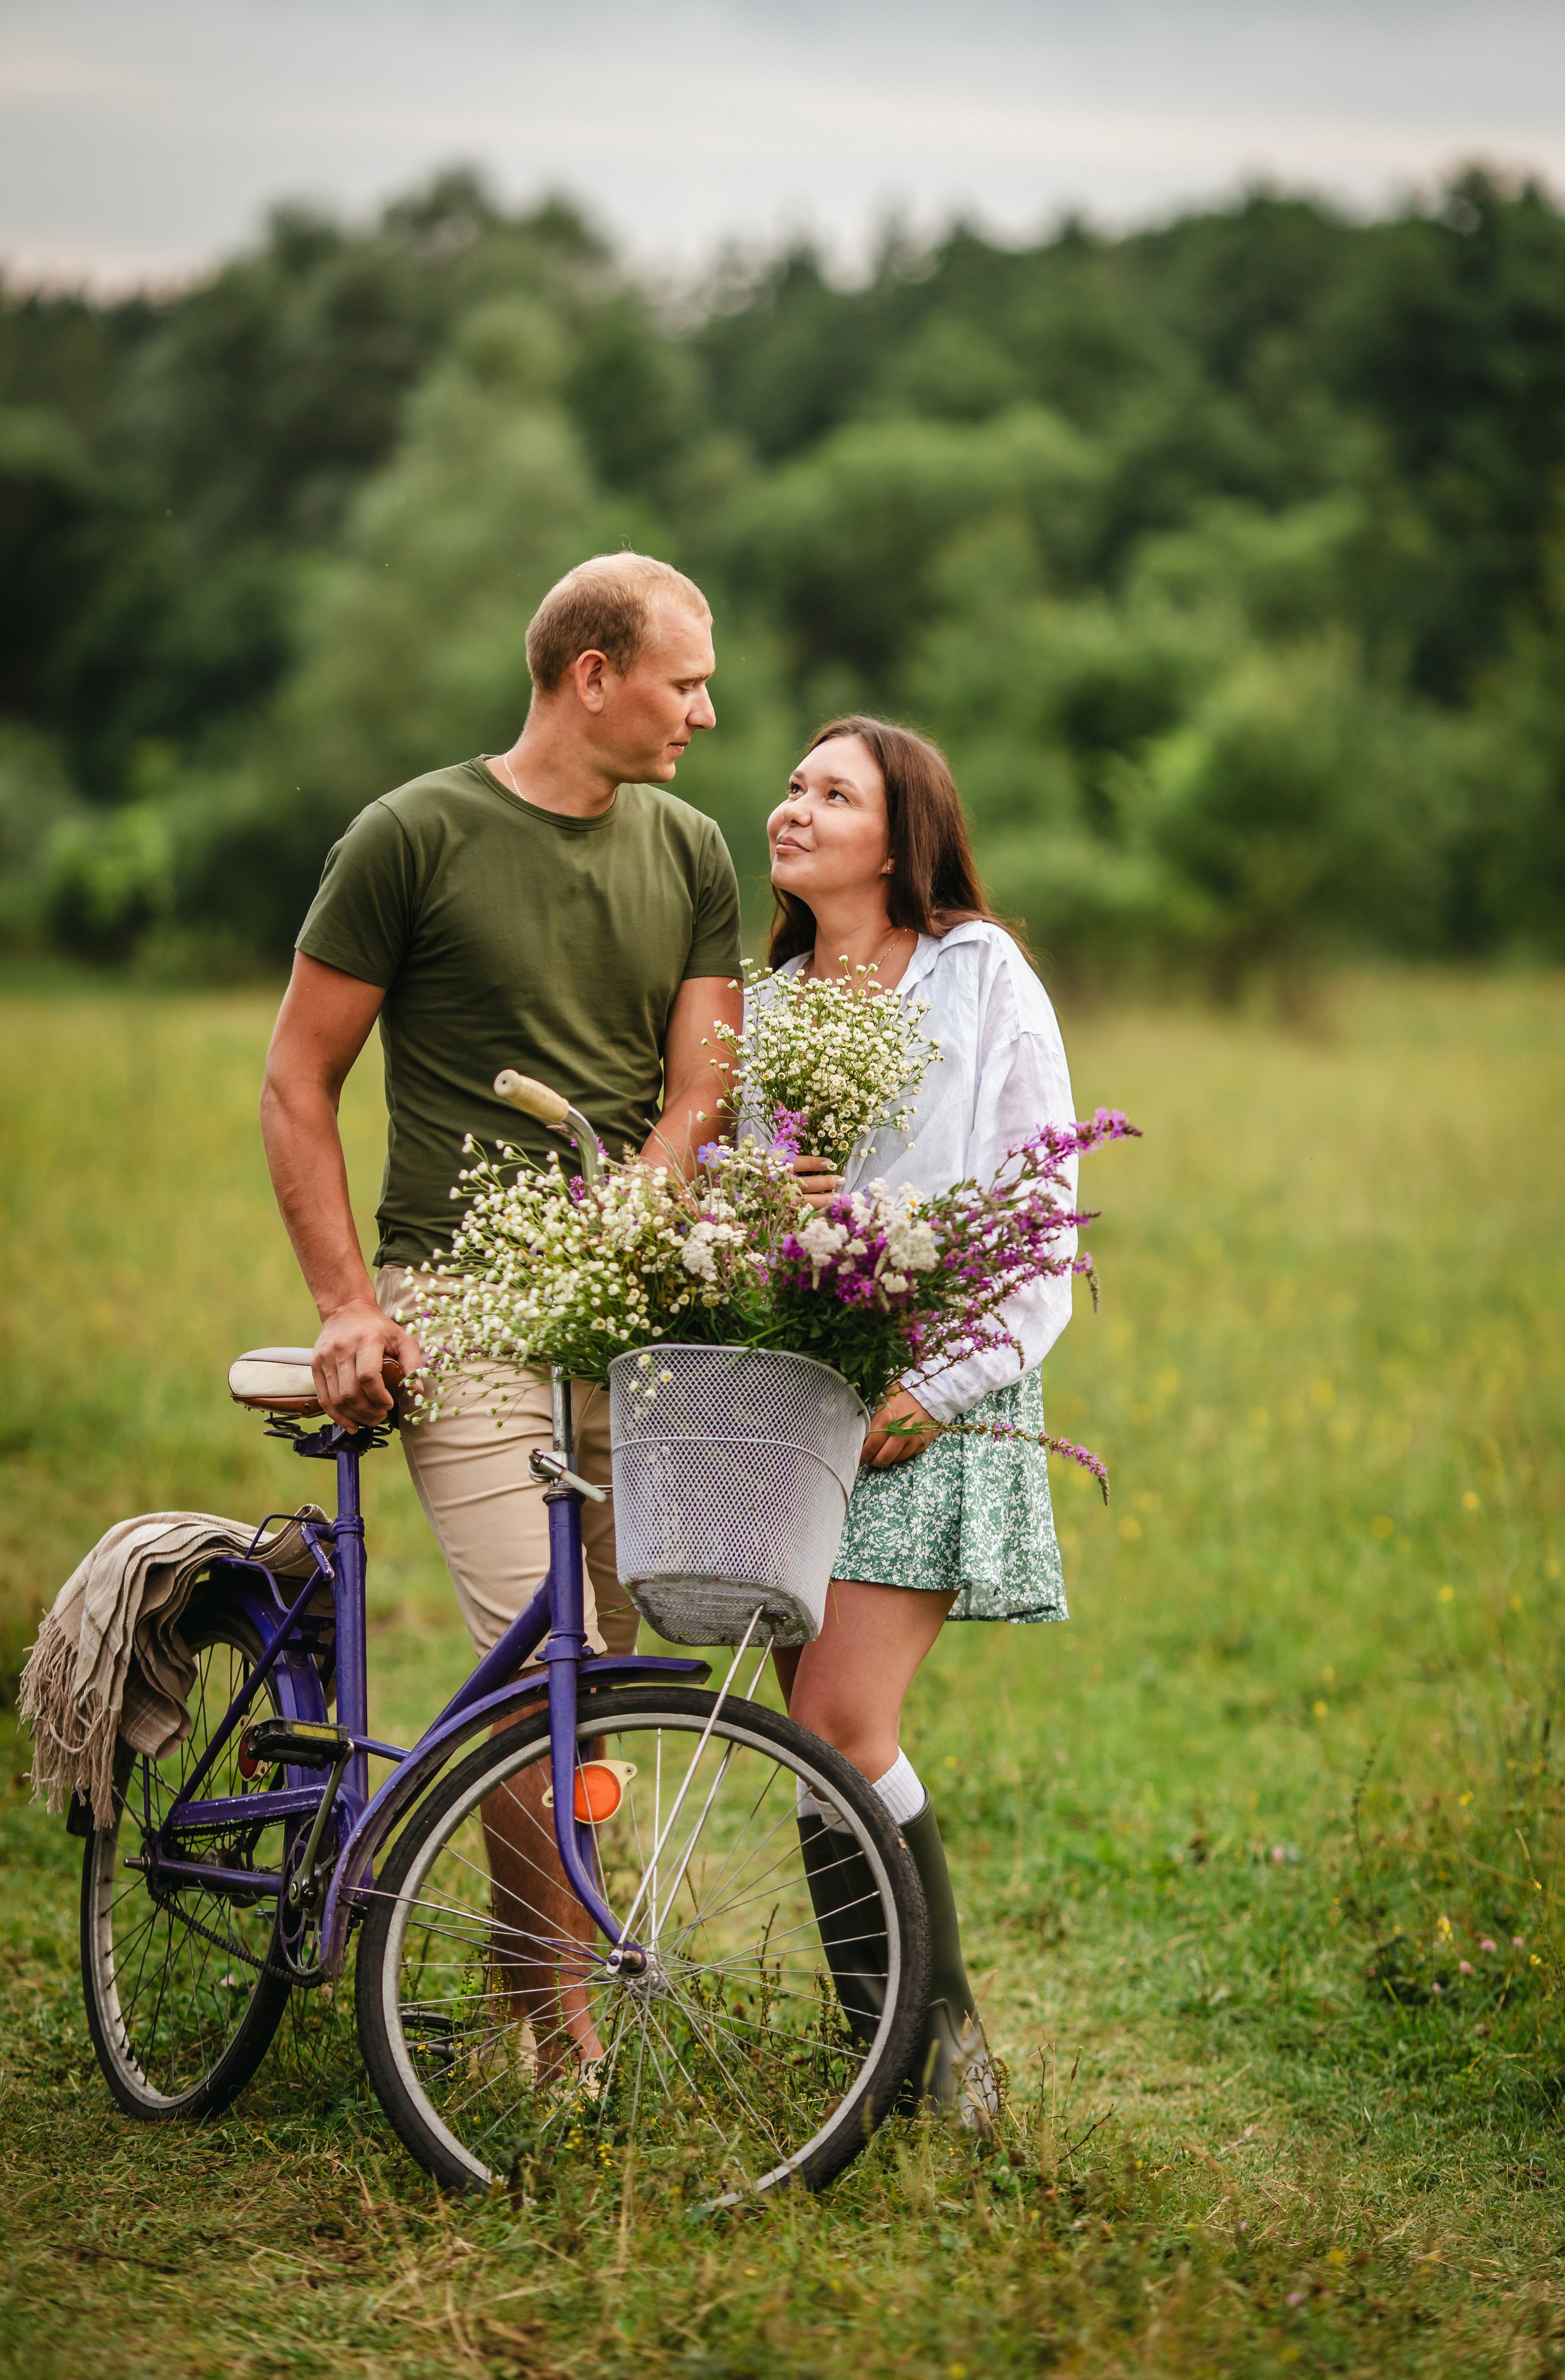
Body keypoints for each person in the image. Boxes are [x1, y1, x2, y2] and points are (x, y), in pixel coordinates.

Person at [261, 551, 742, 2070]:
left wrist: (650, 1187)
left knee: (603, 1661)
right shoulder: (412, 835)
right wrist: (347, 1303)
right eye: (683, 680)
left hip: (631, 1316)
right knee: (544, 1663)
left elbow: (699, 1091)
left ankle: (536, 2000)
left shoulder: (693, 850)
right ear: (590, 675)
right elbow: (296, 1079)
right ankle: (567, 2037)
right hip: (457, 1302)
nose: (705, 712)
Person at [753, 716, 1078, 2124]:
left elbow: (1041, 1211)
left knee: (836, 1714)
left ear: (901, 835)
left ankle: (945, 2056)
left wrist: (933, 1386)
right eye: (790, 785)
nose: (794, 807)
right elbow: (733, 1192)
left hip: (936, 1382)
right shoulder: (763, 1002)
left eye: (834, 792)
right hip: (796, 1380)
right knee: (808, 1733)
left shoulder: (975, 972)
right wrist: (770, 1199)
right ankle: (878, 2056)